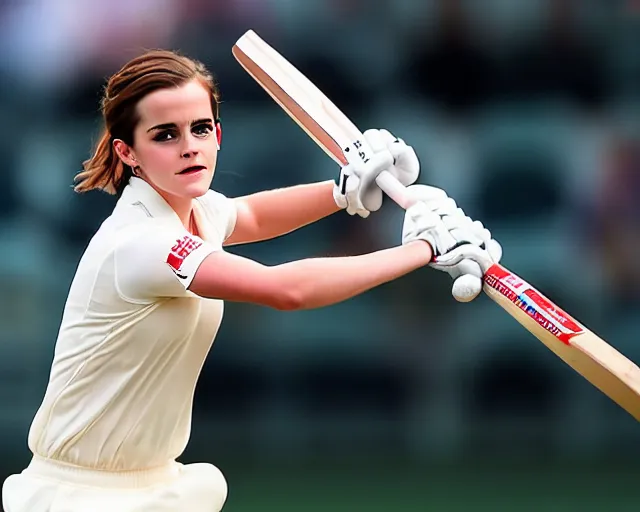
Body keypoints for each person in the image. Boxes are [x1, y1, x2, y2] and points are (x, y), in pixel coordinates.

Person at [2, 49, 501, 512]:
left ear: (219, 134)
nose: (189, 147)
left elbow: (251, 215)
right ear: (127, 152)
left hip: (151, 485)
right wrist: (423, 250)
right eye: (165, 135)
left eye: (200, 128)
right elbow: (286, 290)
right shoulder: (143, 241)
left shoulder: (192, 211)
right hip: (80, 495)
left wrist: (346, 190)